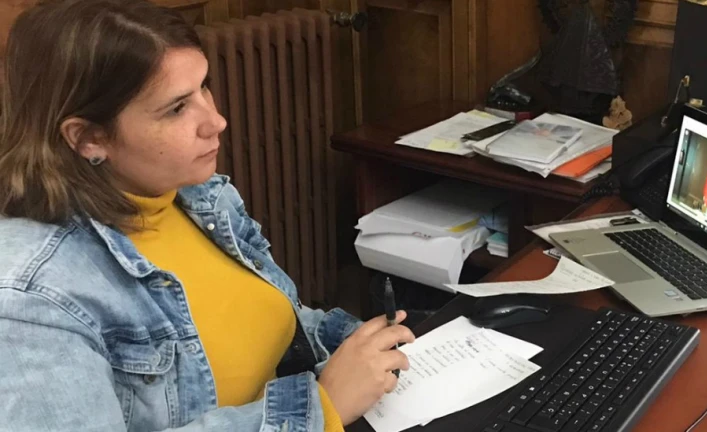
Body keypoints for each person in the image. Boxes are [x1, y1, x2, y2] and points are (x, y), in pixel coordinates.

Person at [0, 0, 415, 430]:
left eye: (205, 87)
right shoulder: (27, 300)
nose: (216, 121)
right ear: (88, 138)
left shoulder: (196, 194)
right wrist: (321, 407)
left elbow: (263, 323)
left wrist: (355, 342)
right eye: (177, 108)